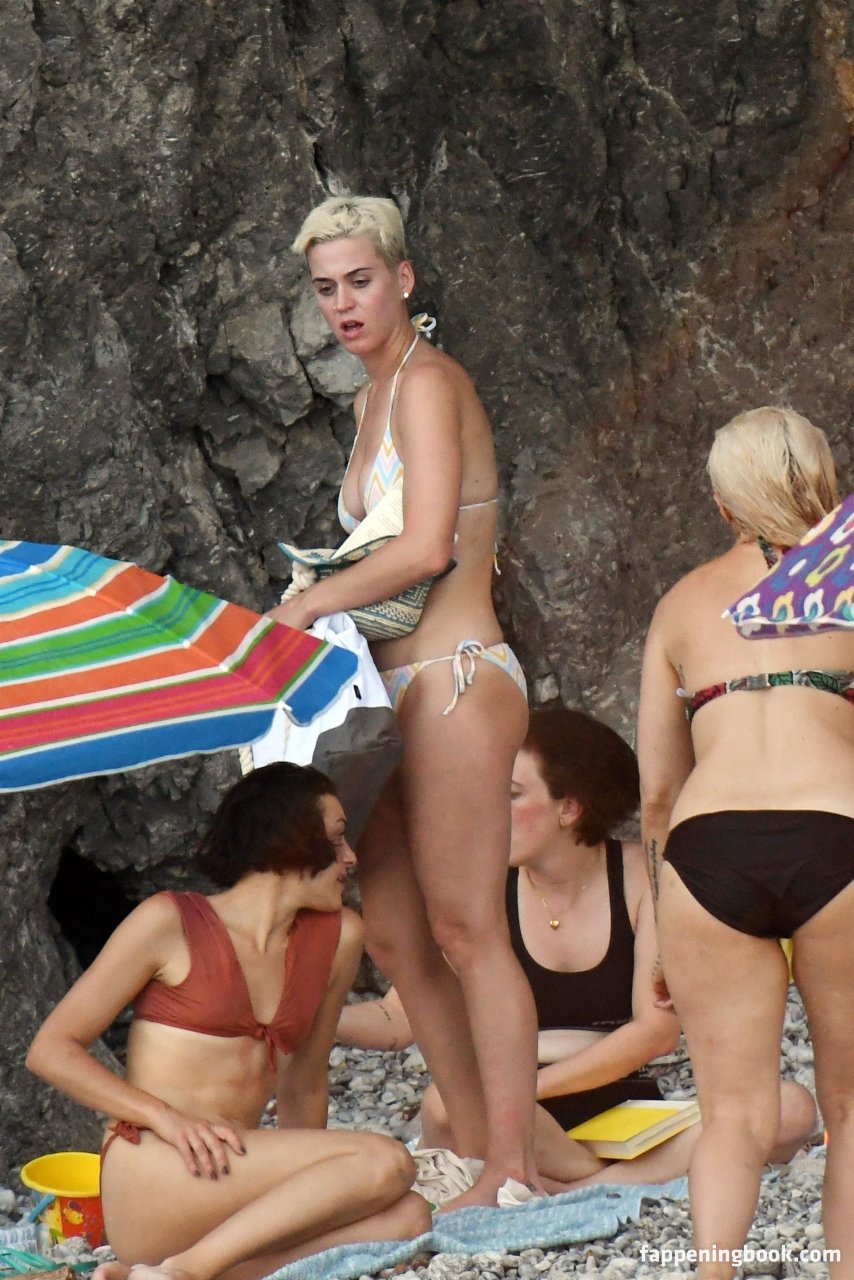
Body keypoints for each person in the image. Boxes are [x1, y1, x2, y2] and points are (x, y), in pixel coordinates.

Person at [269, 194, 538, 1206]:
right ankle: (474, 1147)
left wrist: (310, 603)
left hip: (454, 674)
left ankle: (514, 1168)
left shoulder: (429, 382)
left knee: (466, 926)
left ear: (403, 279)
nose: (343, 304)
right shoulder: (368, 399)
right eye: (324, 289)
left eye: (360, 281)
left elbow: (428, 546)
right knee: (392, 934)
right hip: (382, 688)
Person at [338, 708, 816, 1194]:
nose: (486, 811)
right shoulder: (478, 894)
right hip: (511, 1112)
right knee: (445, 1104)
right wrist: (315, 1020)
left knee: (791, 1107)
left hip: (618, 1108)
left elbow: (655, 1032)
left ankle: (582, 1185)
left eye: (510, 795)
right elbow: (398, 1019)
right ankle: (606, 1183)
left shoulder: (642, 878)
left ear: (569, 808)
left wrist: (525, 1091)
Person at [27, 763, 429, 1280]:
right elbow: (51, 1050)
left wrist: (322, 1195)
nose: (350, 856)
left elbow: (304, 1084)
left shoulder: (339, 939)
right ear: (287, 840)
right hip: (154, 1170)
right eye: (335, 839)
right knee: (387, 1163)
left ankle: (164, 1274)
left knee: (408, 1219)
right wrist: (164, 1117)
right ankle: (186, 1272)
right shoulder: (169, 921)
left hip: (232, 1176)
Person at [637, 406, 853, 1279]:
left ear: (724, 505)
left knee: (731, 1115)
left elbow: (658, 792)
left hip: (708, 851)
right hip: (837, 835)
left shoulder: (681, 603)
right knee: (849, 1107)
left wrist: (662, 929)